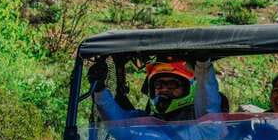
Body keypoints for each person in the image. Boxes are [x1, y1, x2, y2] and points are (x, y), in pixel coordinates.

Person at [88, 58, 221, 122]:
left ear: (189, 88)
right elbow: (117, 124)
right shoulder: (144, 120)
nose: (164, 89)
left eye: (172, 85)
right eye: (158, 85)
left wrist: (203, 64)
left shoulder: (201, 120)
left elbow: (209, 106)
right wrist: (100, 89)